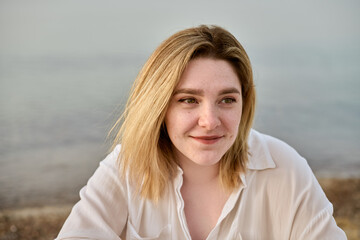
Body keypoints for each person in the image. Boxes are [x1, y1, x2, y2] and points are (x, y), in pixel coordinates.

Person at [56, 25, 347, 240]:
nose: (209, 121)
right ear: (159, 106)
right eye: (188, 100)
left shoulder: (283, 167)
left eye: (227, 100)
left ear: (244, 103)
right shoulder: (126, 168)